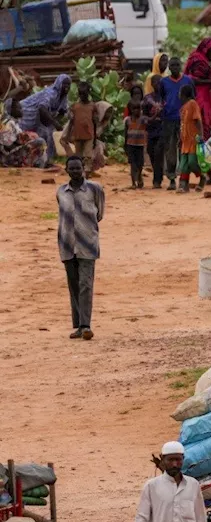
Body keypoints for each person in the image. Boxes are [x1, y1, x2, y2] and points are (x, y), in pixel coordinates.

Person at [57, 155, 105, 341]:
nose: (75, 171)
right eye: (72, 168)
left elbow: (99, 213)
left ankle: (85, 325)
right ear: (67, 169)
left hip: (88, 244)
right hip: (67, 244)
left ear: (83, 168)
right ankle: (78, 325)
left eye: (78, 168)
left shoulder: (95, 189)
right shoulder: (61, 191)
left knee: (86, 284)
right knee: (74, 285)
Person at [19, 73, 71, 168]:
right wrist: (54, 123)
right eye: (64, 84)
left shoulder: (63, 97)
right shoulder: (50, 93)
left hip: (42, 116)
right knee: (26, 137)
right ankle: (26, 160)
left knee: (48, 135)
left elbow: (62, 111)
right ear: (59, 84)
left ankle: (46, 161)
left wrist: (55, 122)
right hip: (27, 112)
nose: (66, 87)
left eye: (68, 84)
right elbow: (42, 108)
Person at [183, 38, 211, 133]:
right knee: (202, 120)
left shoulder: (199, 58)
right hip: (200, 95)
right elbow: (194, 80)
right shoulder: (199, 60)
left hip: (202, 94)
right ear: (205, 50)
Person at [177, 84, 204, 193]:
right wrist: (180, 138)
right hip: (185, 141)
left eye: (180, 93)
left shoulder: (192, 104)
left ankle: (202, 176)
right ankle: (184, 185)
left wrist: (201, 135)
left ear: (184, 95)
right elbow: (182, 125)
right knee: (183, 165)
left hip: (193, 140)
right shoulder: (182, 108)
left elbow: (197, 120)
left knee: (192, 162)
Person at [124, 85, 148, 189]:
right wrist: (125, 144)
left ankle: (139, 177)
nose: (136, 111)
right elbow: (125, 132)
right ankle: (134, 183)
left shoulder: (143, 118)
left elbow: (150, 121)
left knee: (140, 164)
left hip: (140, 145)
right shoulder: (127, 120)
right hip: (131, 144)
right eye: (134, 109)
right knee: (133, 164)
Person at [68, 81, 96, 161]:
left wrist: (95, 137)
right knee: (78, 156)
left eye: (84, 94)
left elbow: (94, 122)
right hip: (77, 135)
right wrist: (68, 135)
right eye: (80, 94)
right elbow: (71, 121)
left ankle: (87, 171)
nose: (82, 96)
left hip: (89, 135)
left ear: (88, 93)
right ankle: (80, 171)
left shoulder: (92, 106)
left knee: (88, 157)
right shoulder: (75, 107)